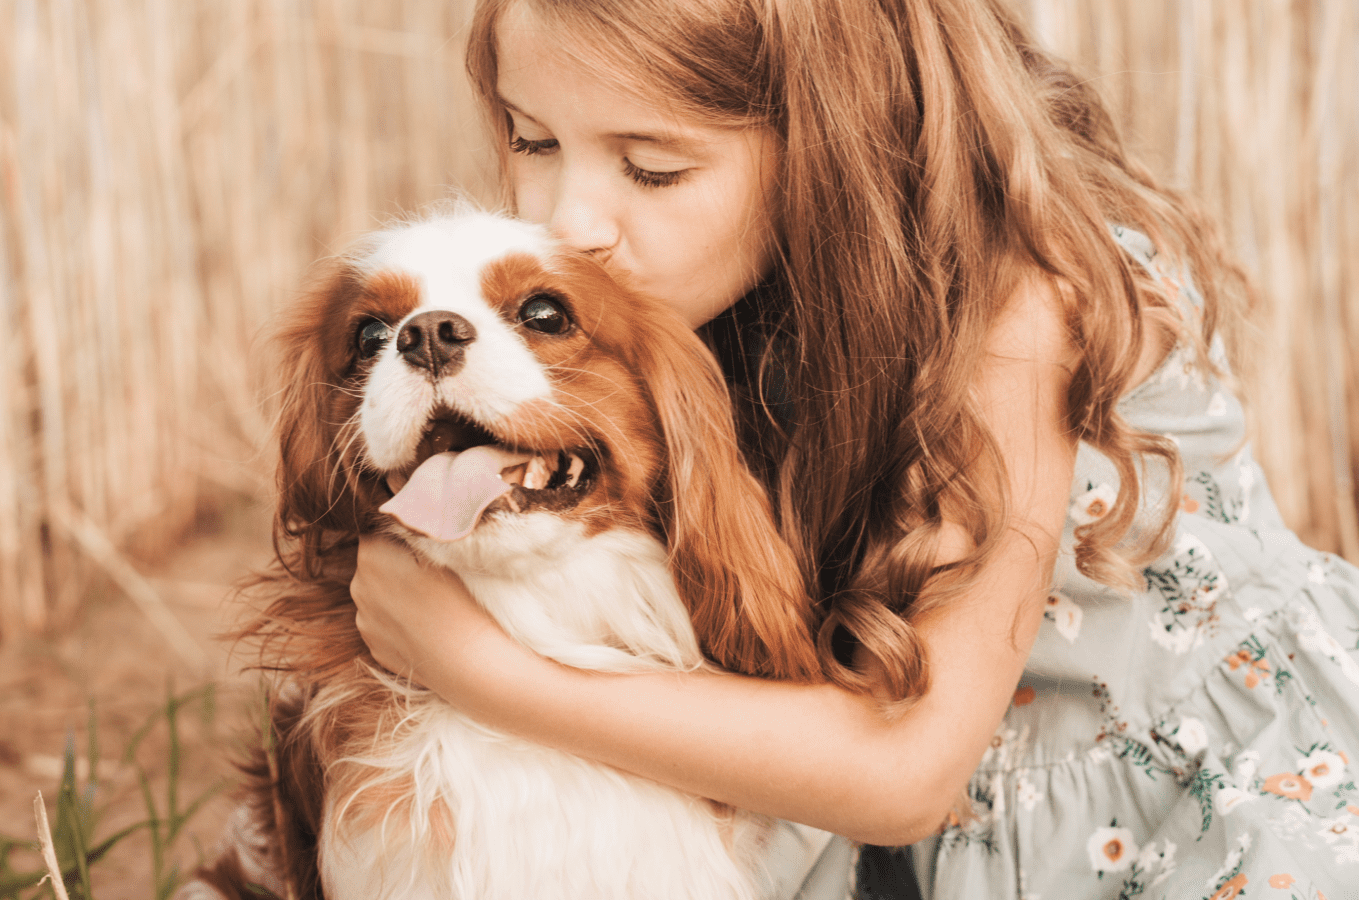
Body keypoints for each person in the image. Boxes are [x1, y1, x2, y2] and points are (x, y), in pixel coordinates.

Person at [347, 1, 1359, 899]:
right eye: (531, 139)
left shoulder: (1010, 313)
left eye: (652, 167)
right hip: (907, 813)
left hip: (1185, 805)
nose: (568, 220)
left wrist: (477, 667)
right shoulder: (695, 300)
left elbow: (904, 774)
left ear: (829, 136)